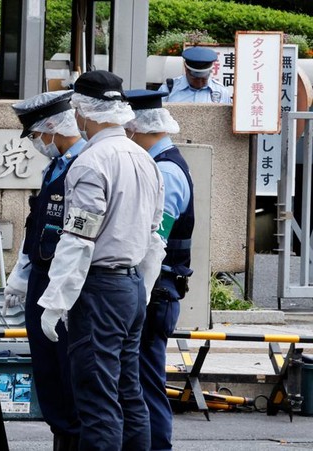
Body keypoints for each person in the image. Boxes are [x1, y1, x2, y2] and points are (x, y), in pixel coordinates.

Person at [36, 70, 166, 451]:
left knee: (97, 399)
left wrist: (55, 300)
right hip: (131, 285)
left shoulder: (91, 163)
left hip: (99, 289)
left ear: (83, 111)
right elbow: (155, 237)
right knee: (129, 393)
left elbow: (78, 238)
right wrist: (140, 290)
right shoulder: (145, 159)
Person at [5, 89, 87, 451]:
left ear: (54, 126)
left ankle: (72, 440)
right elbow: (37, 223)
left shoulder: (86, 165)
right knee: (47, 369)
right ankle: (60, 437)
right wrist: (22, 275)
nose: (37, 143)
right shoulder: (55, 165)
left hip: (67, 282)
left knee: (69, 372)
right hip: (42, 276)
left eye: (37, 135)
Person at [124, 89, 194, 451]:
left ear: (136, 126)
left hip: (156, 290)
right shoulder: (161, 162)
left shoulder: (165, 170)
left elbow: (154, 243)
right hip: (159, 289)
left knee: (145, 381)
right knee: (140, 378)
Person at [158, 46, 231, 104]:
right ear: (186, 68)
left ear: (210, 71)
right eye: (195, 78)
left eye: (203, 78)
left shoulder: (221, 92)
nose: (199, 82)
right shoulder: (167, 90)